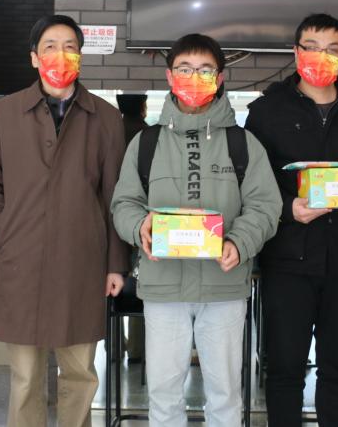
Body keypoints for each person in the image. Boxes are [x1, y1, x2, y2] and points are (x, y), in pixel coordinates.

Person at [111, 33, 281, 427]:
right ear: (170, 77)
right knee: (163, 395)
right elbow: (123, 204)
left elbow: (266, 206)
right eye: (185, 69)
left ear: (220, 78)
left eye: (205, 70)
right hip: (163, 287)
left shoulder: (243, 143)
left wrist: (239, 241)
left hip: (223, 287)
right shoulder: (145, 143)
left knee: (225, 396)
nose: (194, 77)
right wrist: (140, 226)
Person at [0, 15, 129, 427]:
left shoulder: (106, 118)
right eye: (50, 47)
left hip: (82, 263)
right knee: (26, 379)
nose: (61, 55)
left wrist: (115, 264)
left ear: (81, 56)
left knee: (80, 375)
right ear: (34, 57)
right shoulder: (5, 112)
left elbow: (115, 196)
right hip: (21, 259)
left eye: (70, 47)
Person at [245, 13, 338, 427]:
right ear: (296, 52)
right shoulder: (266, 110)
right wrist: (288, 207)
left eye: (332, 49)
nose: (321, 57)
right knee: (284, 367)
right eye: (312, 47)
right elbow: (252, 181)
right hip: (287, 257)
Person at [115, 92, 150, 362]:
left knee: (114, 288)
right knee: (140, 286)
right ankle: (137, 350)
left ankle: (114, 348)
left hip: (116, 220)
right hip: (143, 224)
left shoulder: (112, 132)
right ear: (142, 108)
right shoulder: (149, 136)